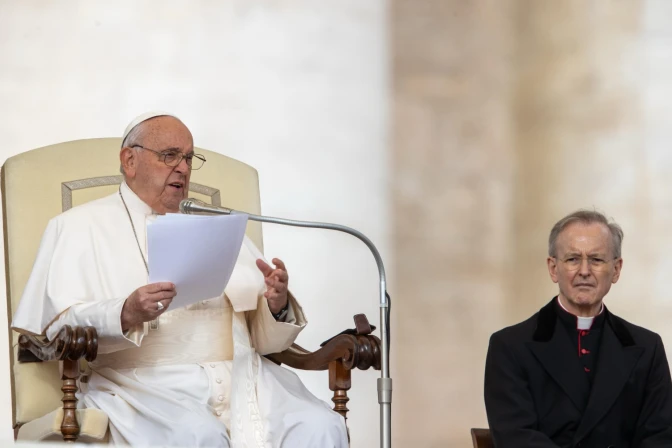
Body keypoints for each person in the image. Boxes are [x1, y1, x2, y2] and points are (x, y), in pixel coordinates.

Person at [11, 112, 348, 447]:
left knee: (320, 426)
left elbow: (261, 339)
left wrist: (276, 305)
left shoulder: (216, 222)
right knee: (197, 435)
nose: (183, 168)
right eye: (169, 156)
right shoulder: (78, 226)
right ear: (130, 160)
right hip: (141, 384)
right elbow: (57, 328)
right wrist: (125, 312)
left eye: (188, 158)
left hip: (246, 378)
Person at [484, 210, 672, 447]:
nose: (584, 271)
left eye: (596, 259)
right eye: (573, 259)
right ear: (553, 268)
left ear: (616, 269)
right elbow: (517, 437)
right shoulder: (510, 347)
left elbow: (660, 437)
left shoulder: (647, 347)